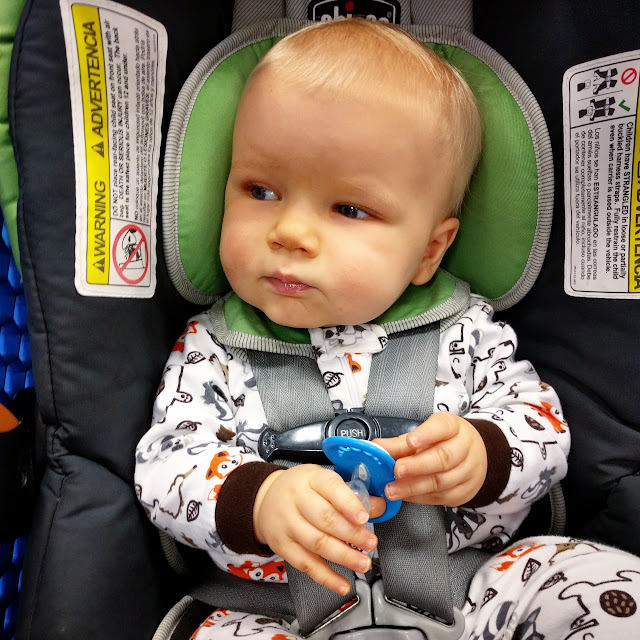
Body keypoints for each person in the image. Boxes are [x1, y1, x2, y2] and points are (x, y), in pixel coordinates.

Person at [135, 18, 640, 640]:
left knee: (597, 588)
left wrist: (483, 454)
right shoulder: (214, 348)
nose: (289, 232)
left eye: (349, 208)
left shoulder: (465, 331)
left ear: (430, 250)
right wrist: (260, 501)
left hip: (470, 591)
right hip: (272, 607)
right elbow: (165, 467)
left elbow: (544, 429)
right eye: (261, 190)